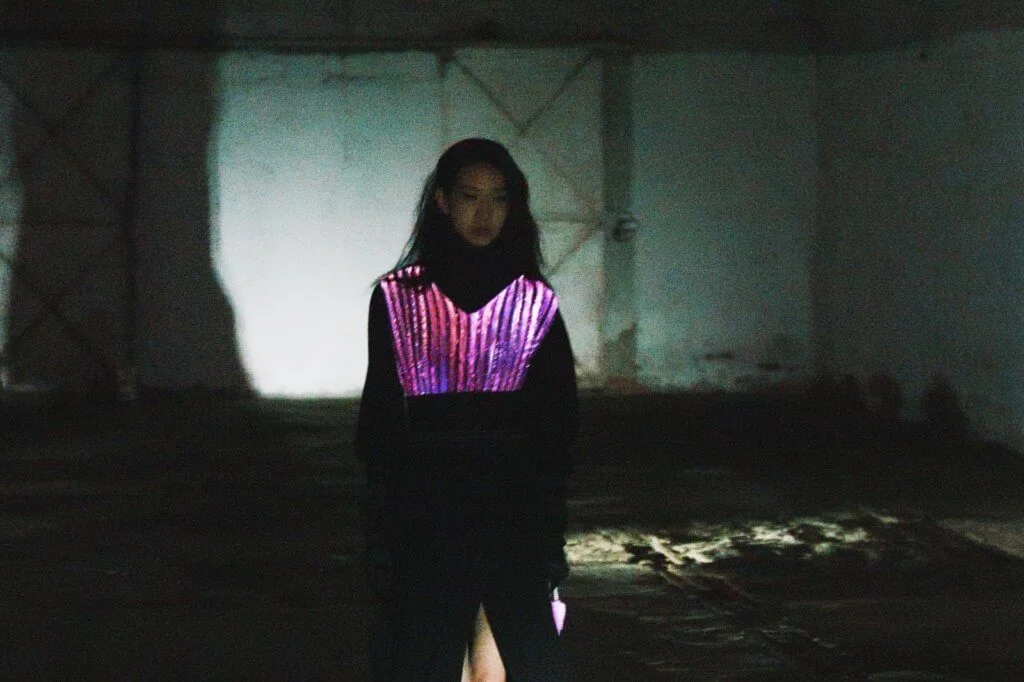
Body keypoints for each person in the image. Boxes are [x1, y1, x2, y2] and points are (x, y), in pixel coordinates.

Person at [355, 138, 578, 681]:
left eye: (499, 198)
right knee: (433, 661)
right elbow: (380, 418)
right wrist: (385, 520)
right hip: (427, 507)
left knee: (497, 663)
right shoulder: (397, 298)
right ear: (442, 201)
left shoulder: (534, 301)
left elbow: (557, 425)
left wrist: (547, 528)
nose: (485, 213)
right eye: (470, 196)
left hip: (510, 506)